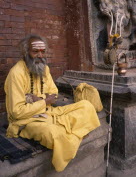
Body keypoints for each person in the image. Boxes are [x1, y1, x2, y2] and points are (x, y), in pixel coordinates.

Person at [4, 34, 101, 172]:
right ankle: (77, 132)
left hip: (50, 112)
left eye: (43, 51)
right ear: (26, 53)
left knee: (86, 106)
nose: (40, 55)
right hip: (27, 121)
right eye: (35, 51)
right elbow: (17, 112)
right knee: (55, 134)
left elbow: (54, 94)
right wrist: (45, 101)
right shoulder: (16, 74)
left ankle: (71, 133)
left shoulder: (45, 69)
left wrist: (37, 99)